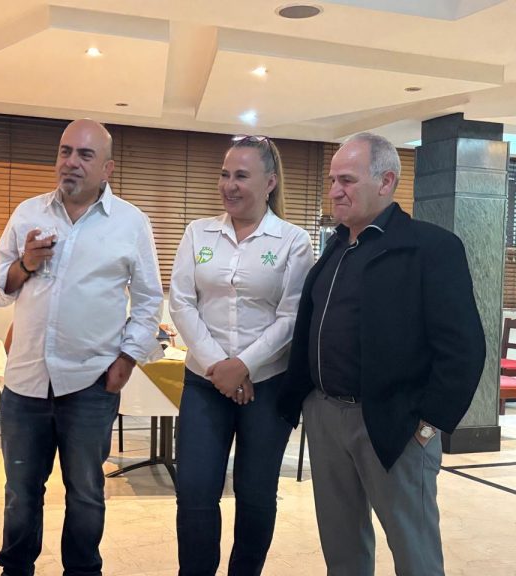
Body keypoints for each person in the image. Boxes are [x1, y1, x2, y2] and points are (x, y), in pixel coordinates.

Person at [277, 132, 486, 576]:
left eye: (347, 180)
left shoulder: (430, 247)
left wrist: (428, 424)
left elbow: (463, 348)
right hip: (326, 417)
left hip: (395, 423)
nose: (335, 191)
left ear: (386, 181)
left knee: (414, 553)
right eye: (332, 180)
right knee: (342, 550)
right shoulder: (336, 248)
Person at [0, 118, 164, 576]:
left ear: (107, 168)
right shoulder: (28, 213)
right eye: (65, 151)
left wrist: (128, 358)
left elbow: (149, 300)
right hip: (25, 383)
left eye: (85, 154)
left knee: (85, 493)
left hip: (90, 383)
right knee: (20, 492)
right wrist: (25, 264)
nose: (71, 162)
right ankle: (15, 569)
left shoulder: (131, 223)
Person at [169, 135, 314, 575]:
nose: (229, 185)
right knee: (195, 492)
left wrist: (244, 365)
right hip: (204, 382)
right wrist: (220, 367)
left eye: (241, 176)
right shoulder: (198, 232)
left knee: (255, 495)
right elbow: (181, 302)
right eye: (224, 174)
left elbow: (292, 316)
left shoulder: (293, 240)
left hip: (267, 386)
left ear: (270, 182)